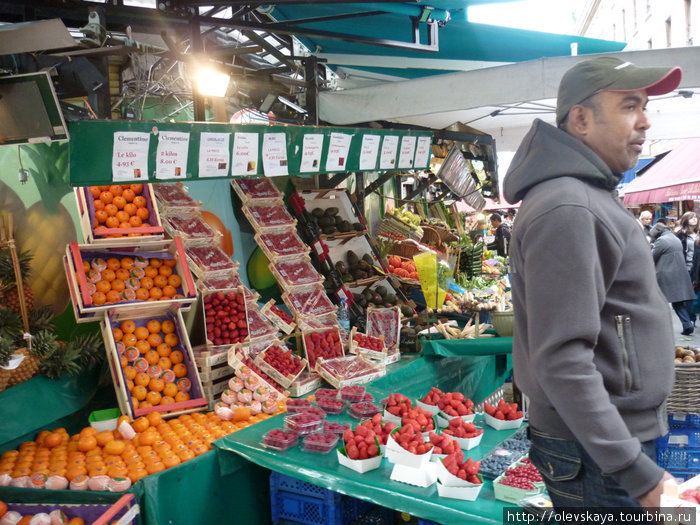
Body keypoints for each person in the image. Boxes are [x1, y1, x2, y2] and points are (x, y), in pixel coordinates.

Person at [503, 56, 682, 511]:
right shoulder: (568, 206)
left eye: (644, 107)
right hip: (598, 451)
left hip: (604, 443)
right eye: (628, 106)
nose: (644, 121)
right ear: (580, 119)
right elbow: (562, 357)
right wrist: (635, 471)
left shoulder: (587, 195)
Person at [649, 222, 696, 334]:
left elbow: (651, 257)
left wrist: (650, 246)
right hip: (678, 272)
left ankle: (660, 326)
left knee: (659, 301)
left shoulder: (661, 241)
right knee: (677, 301)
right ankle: (687, 324)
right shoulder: (674, 238)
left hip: (666, 274)